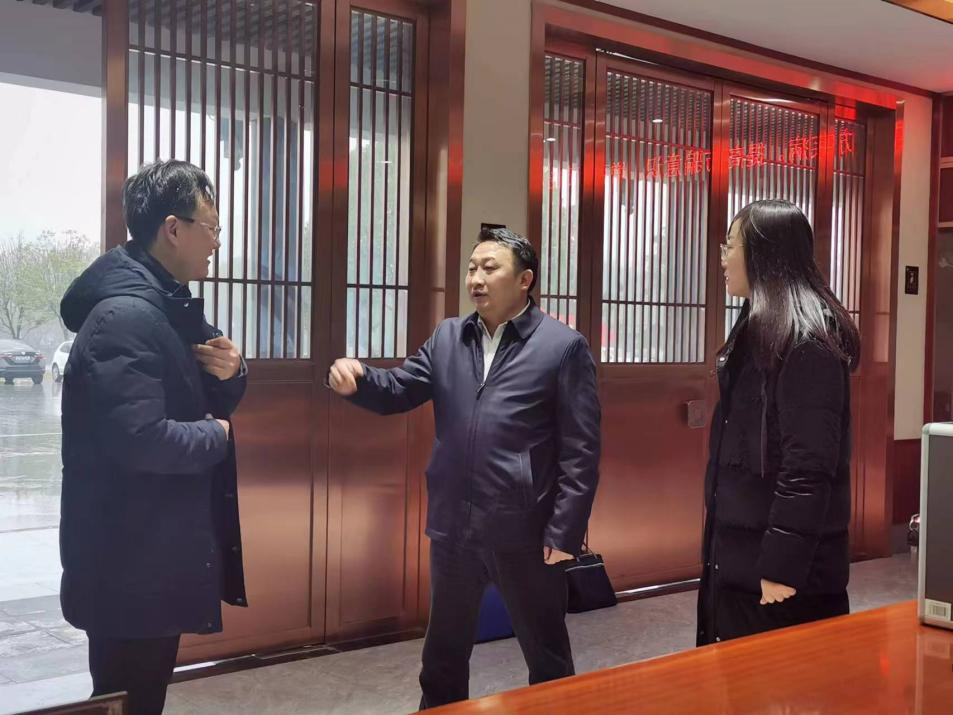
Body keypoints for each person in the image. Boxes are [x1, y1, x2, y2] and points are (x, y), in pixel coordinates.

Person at [328, 227, 601, 708]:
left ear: (525, 280)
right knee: (442, 655)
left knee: (546, 654)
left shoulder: (562, 346)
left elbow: (581, 450)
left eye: (490, 268)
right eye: (472, 268)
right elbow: (401, 388)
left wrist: (565, 532)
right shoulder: (449, 337)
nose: (476, 278)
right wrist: (361, 380)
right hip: (454, 524)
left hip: (525, 529)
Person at [59, 160, 248, 715]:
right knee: (127, 698)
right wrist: (216, 436)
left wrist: (233, 372)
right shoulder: (126, 317)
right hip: (128, 564)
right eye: (211, 228)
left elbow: (201, 394)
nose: (216, 243)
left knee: (138, 695)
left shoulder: (167, 305)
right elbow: (143, 440)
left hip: (149, 554)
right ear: (173, 229)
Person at [697, 199, 860, 646]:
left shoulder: (808, 339)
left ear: (764, 254)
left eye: (730, 245)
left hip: (782, 578)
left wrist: (780, 566)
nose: (723, 257)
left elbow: (808, 467)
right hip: (739, 563)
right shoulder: (756, 327)